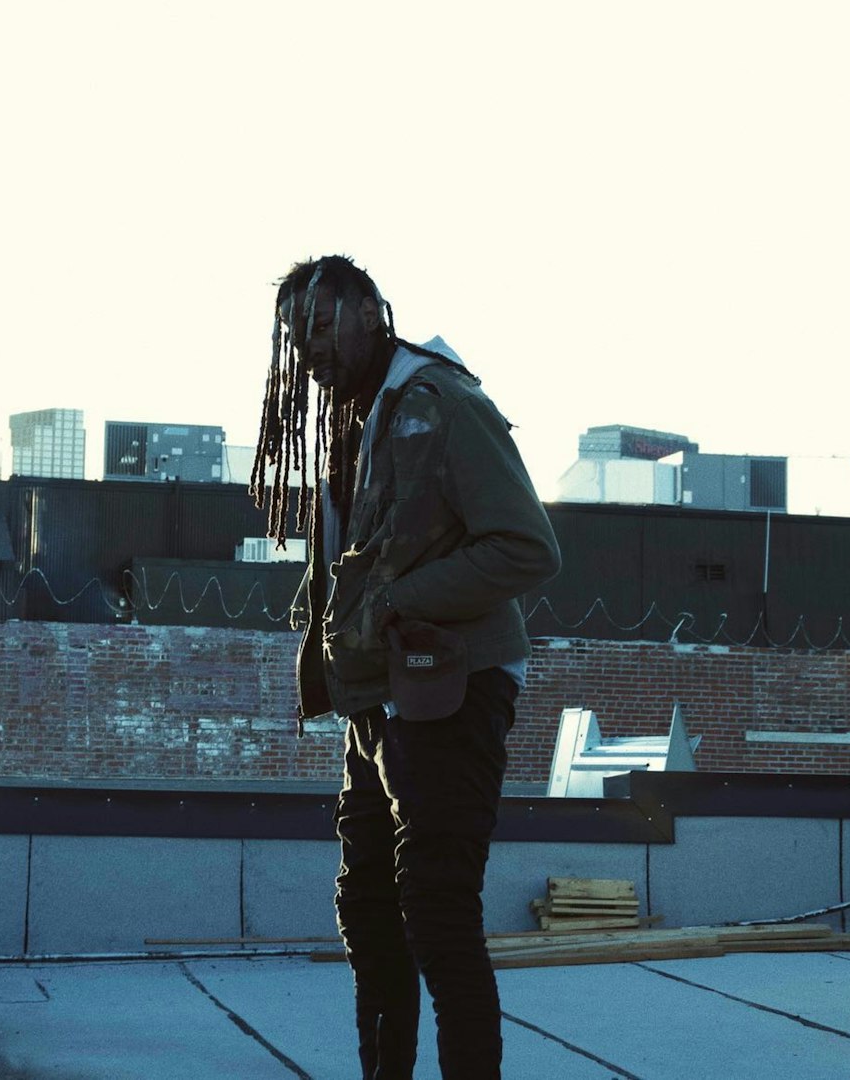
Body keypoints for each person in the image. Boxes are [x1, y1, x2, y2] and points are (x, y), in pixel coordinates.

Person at [251, 255, 560, 1080]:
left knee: (438, 916)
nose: (308, 348)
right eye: (295, 335)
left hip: (450, 692)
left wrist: (396, 601)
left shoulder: (439, 401)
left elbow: (528, 548)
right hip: (378, 703)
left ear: (368, 311)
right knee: (371, 913)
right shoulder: (359, 420)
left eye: (321, 324)